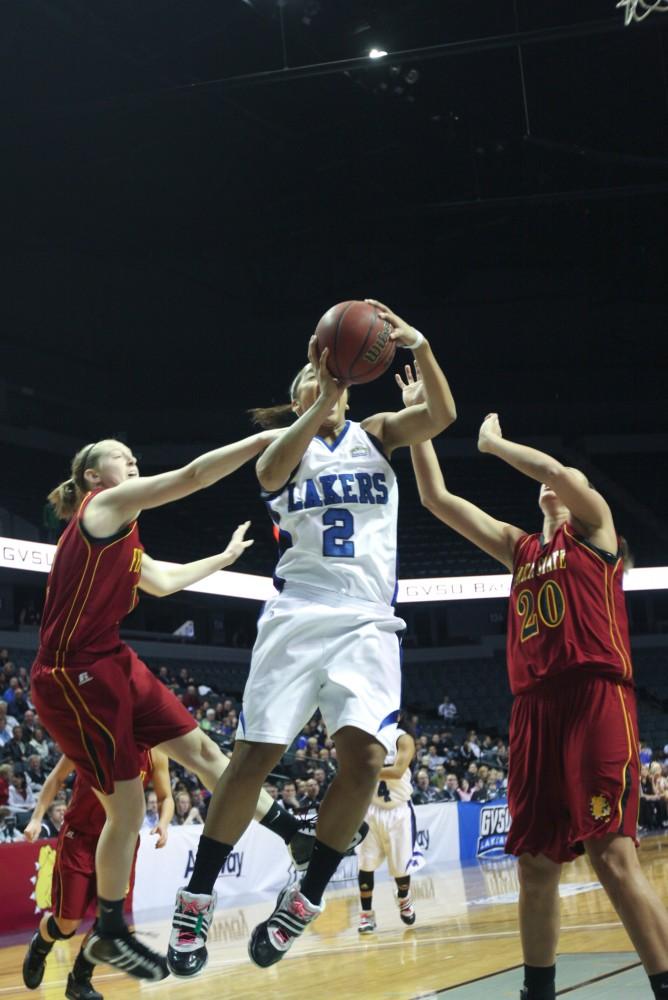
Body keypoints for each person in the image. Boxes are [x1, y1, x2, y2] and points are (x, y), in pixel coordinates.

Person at [168, 300, 456, 975]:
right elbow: (271, 474)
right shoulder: (280, 451)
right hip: (297, 615)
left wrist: (422, 344)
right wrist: (318, 398)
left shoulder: (377, 432)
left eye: (324, 376)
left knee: (363, 762)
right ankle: (196, 897)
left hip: (366, 620)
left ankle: (307, 895)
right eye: (306, 379)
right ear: (299, 393)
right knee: (250, 762)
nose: (317, 382)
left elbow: (440, 415)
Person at [405, 375, 668, 1000]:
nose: (552, 483)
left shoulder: (597, 532)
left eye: (563, 481)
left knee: (611, 855)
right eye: (549, 484)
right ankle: (538, 991)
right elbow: (437, 499)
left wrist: (494, 444)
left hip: (595, 698)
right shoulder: (518, 548)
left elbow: (552, 466)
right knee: (535, 863)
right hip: (532, 711)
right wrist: (417, 424)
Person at [29, 433, 324, 981]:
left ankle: (292, 833)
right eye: (123, 457)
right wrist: (268, 437)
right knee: (127, 810)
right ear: (95, 479)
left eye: (136, 456)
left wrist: (226, 557)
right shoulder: (103, 508)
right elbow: (191, 476)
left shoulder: (125, 532)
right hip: (72, 675)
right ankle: (111, 930)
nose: (134, 461)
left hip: (112, 660)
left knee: (207, 754)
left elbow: (162, 582)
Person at [21, 749, 171, 1000]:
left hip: (121, 841)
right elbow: (57, 777)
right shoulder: (91, 735)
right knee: (66, 925)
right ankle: (40, 945)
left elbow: (166, 796)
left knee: (106, 921)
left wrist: (164, 823)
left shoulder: (156, 751)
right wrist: (37, 818)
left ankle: (80, 980)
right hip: (80, 838)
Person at [357, 716, 422, 933]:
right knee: (365, 864)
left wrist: (365, 771)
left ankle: (403, 898)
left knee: (400, 866)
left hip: (398, 810)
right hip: (371, 810)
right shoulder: (367, 738)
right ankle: (366, 915)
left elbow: (397, 771)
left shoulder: (403, 739)